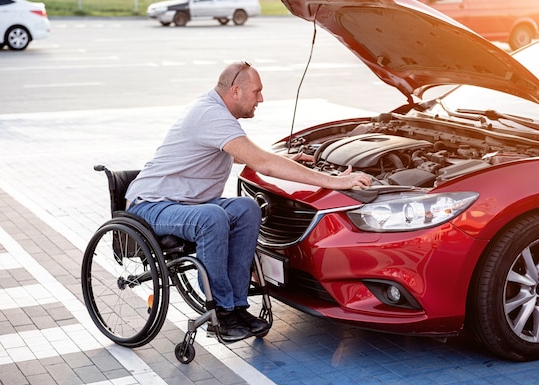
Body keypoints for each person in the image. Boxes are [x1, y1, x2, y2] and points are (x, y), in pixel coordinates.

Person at [125, 61, 372, 341]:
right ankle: (222, 310)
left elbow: (239, 152)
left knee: (246, 209)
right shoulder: (210, 114)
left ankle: (238, 305)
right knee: (212, 217)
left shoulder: (216, 113)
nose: (261, 99)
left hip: (188, 205)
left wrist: (285, 161)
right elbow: (263, 163)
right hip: (153, 206)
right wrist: (338, 182)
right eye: (257, 92)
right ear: (236, 91)